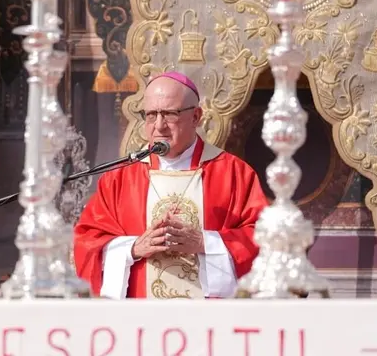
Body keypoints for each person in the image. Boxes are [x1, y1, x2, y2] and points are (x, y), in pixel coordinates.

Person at [73, 72, 268, 299]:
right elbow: (86, 243)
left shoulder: (234, 174)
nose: (159, 126)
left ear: (196, 116)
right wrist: (133, 248)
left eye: (169, 114)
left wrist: (206, 243)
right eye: (151, 115)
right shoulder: (119, 178)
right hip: (141, 317)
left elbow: (264, 239)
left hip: (210, 321)